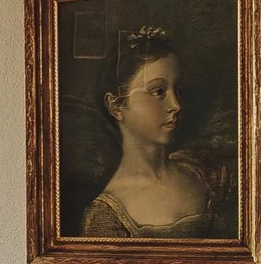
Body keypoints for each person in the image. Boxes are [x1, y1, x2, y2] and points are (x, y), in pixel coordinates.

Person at [79, 26, 232, 237]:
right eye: (158, 91)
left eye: (177, 90)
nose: (176, 105)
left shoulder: (205, 172)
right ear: (116, 106)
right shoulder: (106, 214)